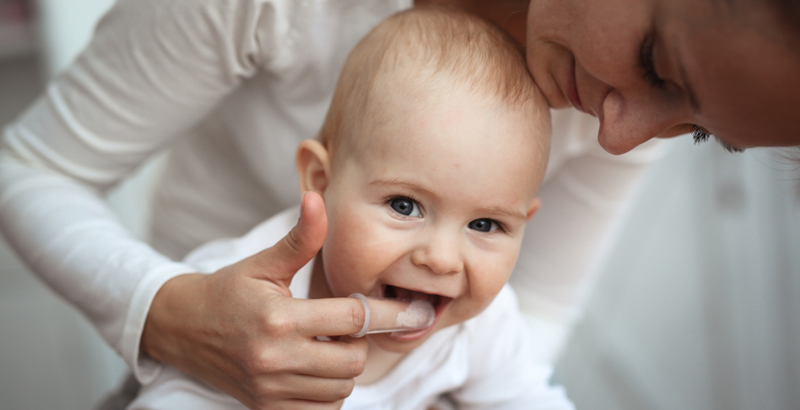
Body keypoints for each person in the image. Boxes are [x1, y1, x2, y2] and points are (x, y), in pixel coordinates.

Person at [0, 0, 796, 409]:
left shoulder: (480, 326)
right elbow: (29, 168)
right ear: (314, 179)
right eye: (657, 62)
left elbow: (528, 341)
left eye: (695, 131)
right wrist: (169, 314)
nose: (623, 139)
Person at [127, 9, 574, 409]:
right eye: (405, 205)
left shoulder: (484, 327)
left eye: (485, 224)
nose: (440, 258)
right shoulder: (240, 298)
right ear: (321, 182)